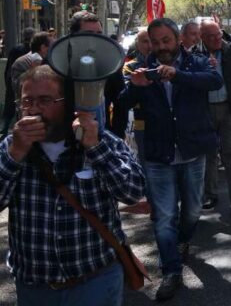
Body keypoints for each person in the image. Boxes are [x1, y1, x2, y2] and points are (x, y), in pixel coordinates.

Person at [0, 65, 144, 305]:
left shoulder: (102, 140)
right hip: (35, 286)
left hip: (95, 281)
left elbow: (133, 192)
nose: (34, 109)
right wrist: (15, 155)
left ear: (67, 103)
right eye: (27, 101)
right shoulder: (10, 146)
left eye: (45, 100)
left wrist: (96, 149)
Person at [120, 18, 222, 300]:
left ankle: (182, 240)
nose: (161, 47)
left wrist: (176, 74)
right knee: (164, 216)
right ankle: (171, 270)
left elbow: (214, 81)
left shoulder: (198, 62)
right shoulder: (137, 67)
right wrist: (137, 85)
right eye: (155, 42)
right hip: (157, 156)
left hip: (192, 151)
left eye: (166, 40)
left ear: (177, 39)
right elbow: (122, 103)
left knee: (191, 211)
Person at [199, 20, 231, 215]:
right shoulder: (196, 54)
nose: (217, 40)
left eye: (219, 35)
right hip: (205, 110)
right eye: (212, 37)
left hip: (230, 109)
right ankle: (210, 196)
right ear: (202, 37)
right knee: (209, 154)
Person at [69, 11, 128, 139]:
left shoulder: (110, 67)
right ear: (73, 37)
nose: (95, 40)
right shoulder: (60, 65)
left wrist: (116, 134)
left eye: (99, 35)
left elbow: (120, 103)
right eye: (88, 35)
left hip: (101, 137)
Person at [122, 30, 151, 162]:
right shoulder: (129, 67)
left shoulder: (166, 63)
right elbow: (126, 96)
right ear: (138, 45)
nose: (150, 45)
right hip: (140, 124)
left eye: (152, 41)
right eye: (145, 41)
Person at [2, 28, 37, 138]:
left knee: (10, 109)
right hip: (23, 85)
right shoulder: (32, 52)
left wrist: (8, 82)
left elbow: (8, 69)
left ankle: (3, 131)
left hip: (12, 82)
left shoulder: (16, 49)